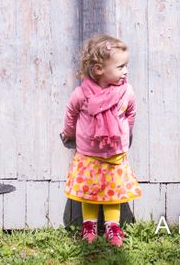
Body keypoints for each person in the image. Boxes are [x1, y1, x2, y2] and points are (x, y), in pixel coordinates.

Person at [60, 34, 142, 246]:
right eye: (121, 67)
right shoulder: (82, 94)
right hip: (89, 154)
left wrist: (127, 133)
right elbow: (71, 113)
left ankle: (112, 228)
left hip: (115, 153)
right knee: (90, 192)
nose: (126, 71)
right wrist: (68, 132)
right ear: (99, 69)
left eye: (126, 66)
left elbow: (131, 114)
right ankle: (89, 226)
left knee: (113, 192)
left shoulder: (126, 93)